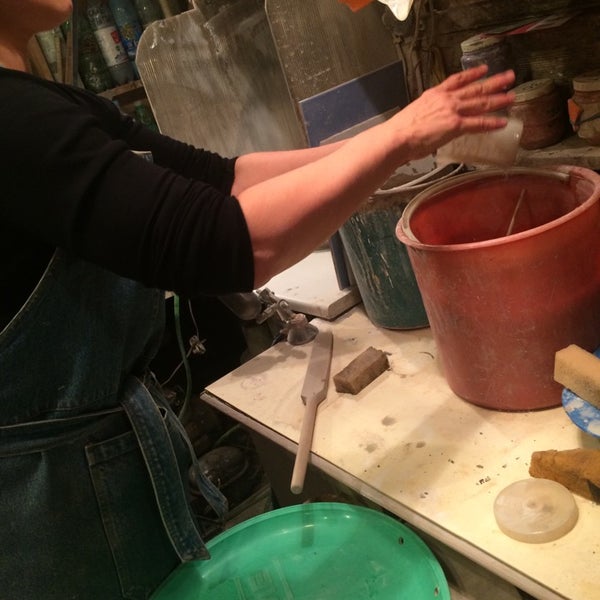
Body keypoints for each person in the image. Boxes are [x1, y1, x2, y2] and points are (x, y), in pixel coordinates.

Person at [0, 1, 516, 598]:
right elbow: (227, 243)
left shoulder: (45, 102)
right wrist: (398, 139)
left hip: (94, 455)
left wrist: (397, 133)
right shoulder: (11, 116)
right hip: (43, 495)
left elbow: (226, 178)